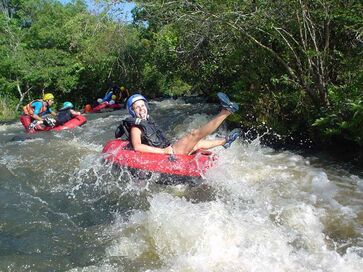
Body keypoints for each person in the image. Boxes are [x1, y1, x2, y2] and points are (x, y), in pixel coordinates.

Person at [115, 92, 241, 155]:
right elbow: (137, 147)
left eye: (142, 105)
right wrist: (163, 152)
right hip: (168, 154)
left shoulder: (147, 121)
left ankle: (226, 141)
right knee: (194, 134)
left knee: (197, 143)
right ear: (132, 111)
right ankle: (225, 112)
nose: (141, 109)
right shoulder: (136, 127)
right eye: (137, 107)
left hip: (170, 148)